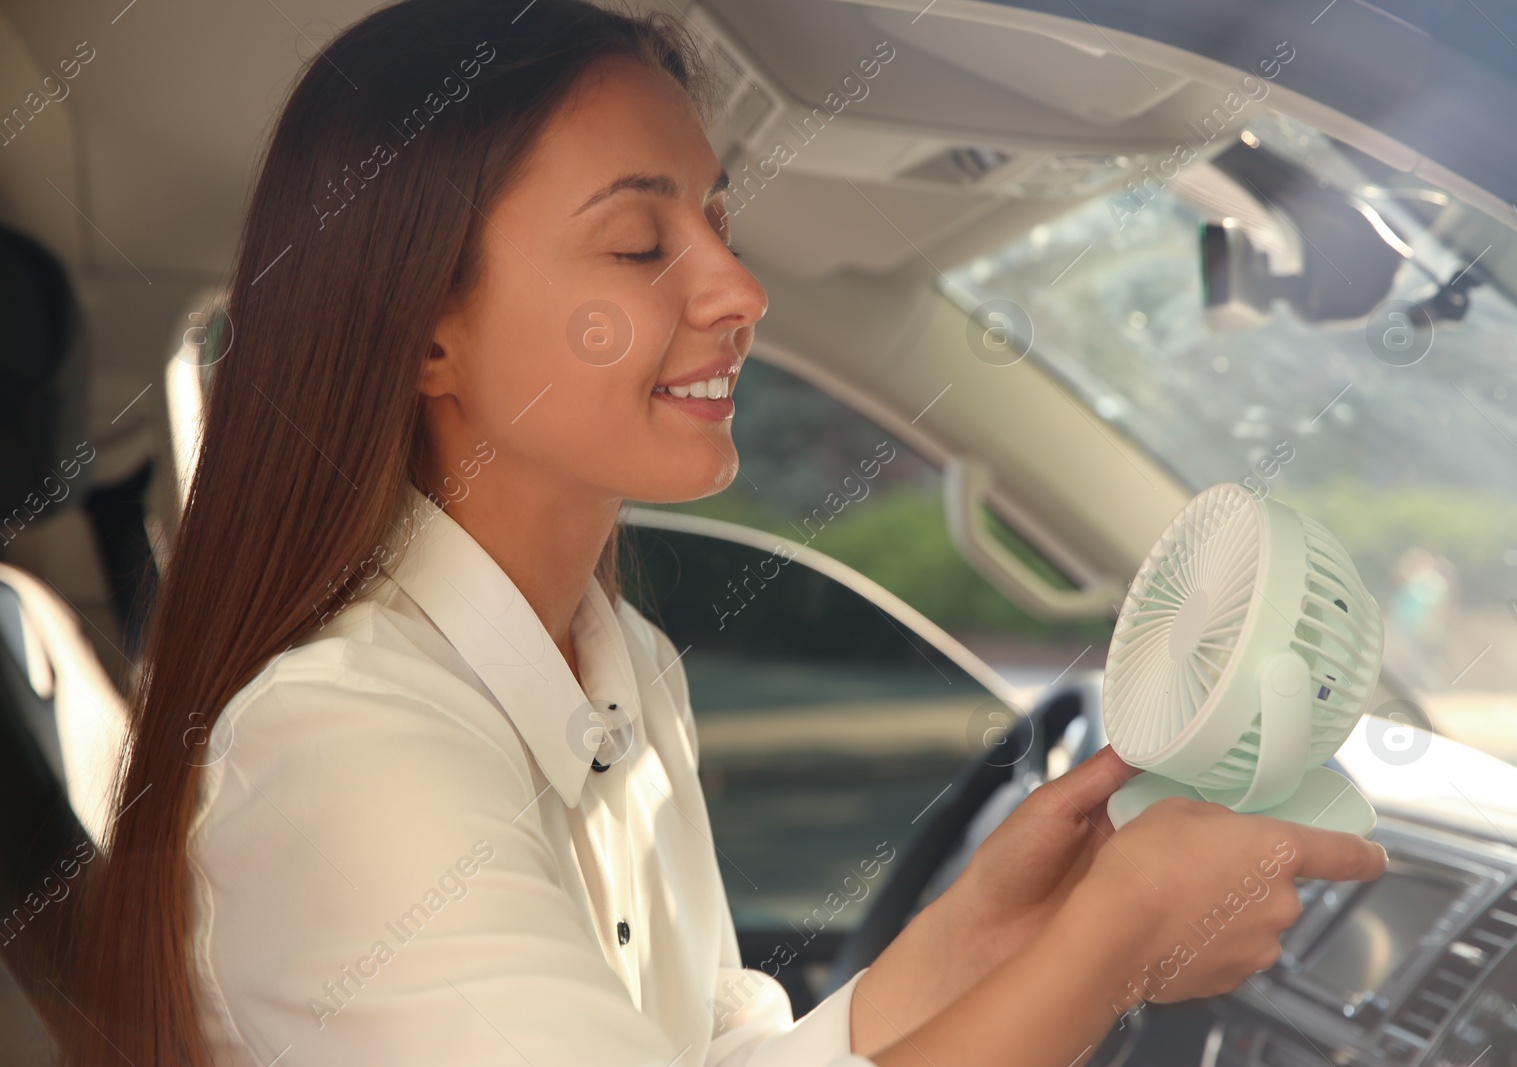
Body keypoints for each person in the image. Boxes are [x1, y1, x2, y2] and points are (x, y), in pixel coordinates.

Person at [63, 2, 1388, 1064]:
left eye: (716, 216)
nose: (739, 288)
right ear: (424, 330)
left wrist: (978, 936)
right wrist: (1116, 934)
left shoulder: (620, 662)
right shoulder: (349, 754)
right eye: (642, 243)